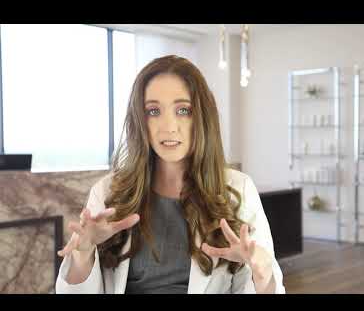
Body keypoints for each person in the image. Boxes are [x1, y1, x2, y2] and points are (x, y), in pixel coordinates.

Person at [55, 55, 285, 294]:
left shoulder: (239, 189)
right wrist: (83, 255)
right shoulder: (107, 192)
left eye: (183, 110)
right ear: (140, 120)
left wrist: (263, 271)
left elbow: (262, 286)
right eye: (153, 111)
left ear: (202, 118)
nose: (169, 126)